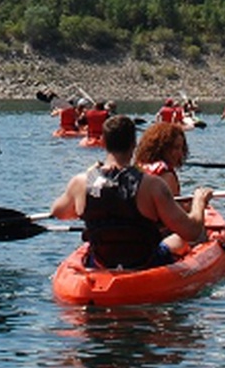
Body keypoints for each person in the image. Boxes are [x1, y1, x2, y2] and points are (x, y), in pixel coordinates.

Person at [50, 116, 213, 270]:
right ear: (134, 144)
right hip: (146, 263)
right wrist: (199, 201)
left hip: (101, 263)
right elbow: (192, 231)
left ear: (104, 142)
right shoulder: (153, 185)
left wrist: (89, 203)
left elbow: (58, 212)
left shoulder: (81, 182)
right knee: (179, 241)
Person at [134, 120, 191, 196]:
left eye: (182, 148)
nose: (180, 153)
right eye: (176, 148)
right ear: (162, 148)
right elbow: (173, 207)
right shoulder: (167, 176)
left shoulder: (138, 168)